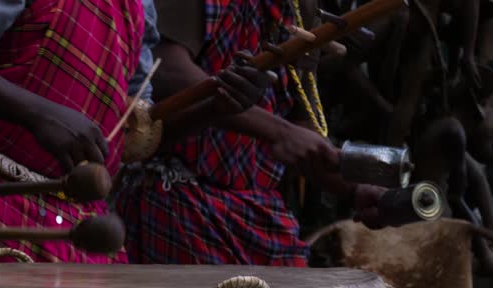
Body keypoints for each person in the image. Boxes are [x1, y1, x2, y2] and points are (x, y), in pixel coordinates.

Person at [0, 0, 273, 263]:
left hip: (81, 232)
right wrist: (38, 114)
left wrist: (216, 107)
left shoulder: (139, 7)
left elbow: (125, 138)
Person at [113, 0, 382, 265]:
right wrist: (278, 132)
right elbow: (162, 69)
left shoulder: (301, 7)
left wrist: (356, 186)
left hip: (260, 212)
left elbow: (302, 131)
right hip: (178, 202)